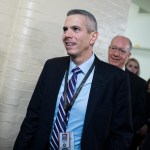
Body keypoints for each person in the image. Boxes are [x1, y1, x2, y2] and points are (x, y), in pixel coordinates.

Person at [13, 10, 133, 150]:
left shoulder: (115, 78)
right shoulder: (52, 67)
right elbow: (33, 117)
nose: (67, 35)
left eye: (75, 29)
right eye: (65, 29)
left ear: (93, 37)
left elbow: (121, 133)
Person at [108, 35, 147, 150]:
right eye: (113, 48)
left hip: (118, 143)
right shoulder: (94, 73)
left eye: (121, 50)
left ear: (128, 55)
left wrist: (121, 128)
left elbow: (141, 115)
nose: (115, 54)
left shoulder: (139, 84)